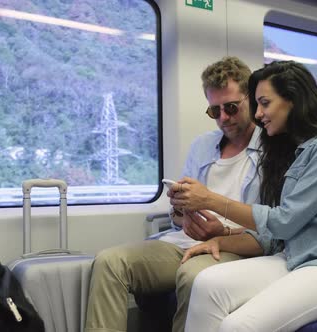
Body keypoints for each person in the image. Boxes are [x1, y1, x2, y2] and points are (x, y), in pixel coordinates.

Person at [172, 61, 317, 332]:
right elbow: (276, 234)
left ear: (294, 100)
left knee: (238, 325)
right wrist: (222, 238)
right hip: (299, 257)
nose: (258, 114)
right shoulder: (295, 149)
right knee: (206, 285)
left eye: (265, 103)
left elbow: (285, 221)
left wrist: (209, 200)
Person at [84, 56, 279, 332]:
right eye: (215, 111)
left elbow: (272, 228)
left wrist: (221, 233)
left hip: (235, 247)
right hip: (184, 240)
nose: (223, 118)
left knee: (193, 277)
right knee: (110, 262)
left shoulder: (272, 150)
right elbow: (179, 212)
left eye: (232, 108)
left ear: (251, 100)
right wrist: (181, 215)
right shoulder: (202, 146)